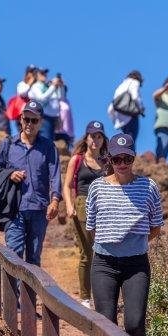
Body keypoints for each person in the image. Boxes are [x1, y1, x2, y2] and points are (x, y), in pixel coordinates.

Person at [86, 133, 163, 336]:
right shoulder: (97, 188)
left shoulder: (148, 187)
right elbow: (92, 225)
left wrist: (134, 243)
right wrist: (113, 243)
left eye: (126, 158)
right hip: (104, 264)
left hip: (136, 264)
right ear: (109, 159)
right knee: (107, 325)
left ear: (133, 158)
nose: (121, 163)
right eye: (116, 158)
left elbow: (156, 225)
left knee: (134, 323)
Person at [0, 100, 62, 266]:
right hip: (13, 209)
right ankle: (14, 293)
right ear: (21, 119)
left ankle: (28, 294)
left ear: (41, 122)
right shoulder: (8, 144)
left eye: (34, 120)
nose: (29, 124)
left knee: (33, 261)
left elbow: (55, 175)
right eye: (26, 119)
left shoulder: (49, 147)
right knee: (14, 256)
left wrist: (55, 200)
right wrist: (10, 174)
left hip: (39, 209)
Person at [63, 121, 108, 308]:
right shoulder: (77, 160)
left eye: (99, 136)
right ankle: (85, 297)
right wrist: (68, 206)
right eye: (92, 136)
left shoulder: (107, 162)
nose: (95, 140)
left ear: (103, 139)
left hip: (104, 207)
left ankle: (103, 296)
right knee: (86, 253)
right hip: (82, 204)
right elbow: (66, 185)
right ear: (87, 138)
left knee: (104, 253)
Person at [108, 71, 144, 148]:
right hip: (130, 116)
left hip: (120, 117)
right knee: (131, 140)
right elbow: (135, 97)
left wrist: (115, 121)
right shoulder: (135, 82)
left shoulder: (121, 86)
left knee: (125, 139)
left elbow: (111, 107)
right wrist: (141, 109)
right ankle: (130, 156)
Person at [28, 68, 65, 141]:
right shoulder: (35, 86)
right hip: (44, 117)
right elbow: (42, 98)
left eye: (45, 73)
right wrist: (53, 86)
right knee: (46, 140)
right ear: (36, 75)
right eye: (42, 73)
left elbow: (61, 98)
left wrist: (61, 86)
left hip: (53, 118)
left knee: (50, 141)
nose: (44, 75)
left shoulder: (48, 86)